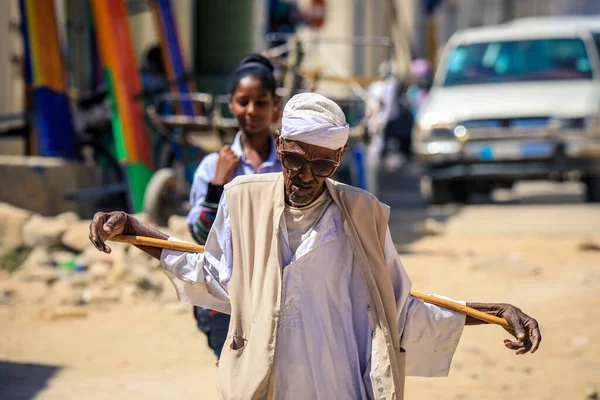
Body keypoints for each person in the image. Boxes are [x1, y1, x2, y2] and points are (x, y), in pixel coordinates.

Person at [89, 92, 541, 400]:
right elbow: (213, 276)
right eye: (294, 160)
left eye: (320, 163)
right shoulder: (241, 199)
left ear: (338, 159)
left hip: (338, 387)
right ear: (280, 146)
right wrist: (136, 228)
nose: (304, 175)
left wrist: (494, 311)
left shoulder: (363, 215)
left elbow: (400, 312)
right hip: (268, 386)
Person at [186, 54, 282, 357]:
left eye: (261, 102)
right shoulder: (212, 168)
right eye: (243, 102)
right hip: (226, 303)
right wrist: (218, 186)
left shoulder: (289, 166)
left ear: (275, 105)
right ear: (231, 104)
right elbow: (201, 237)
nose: (251, 111)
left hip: (279, 299)